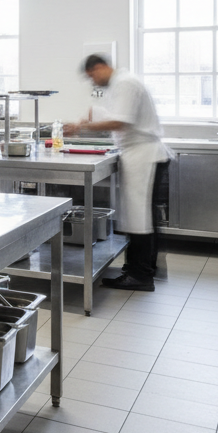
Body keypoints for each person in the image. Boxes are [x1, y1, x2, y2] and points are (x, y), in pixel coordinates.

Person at [65, 55, 169, 291]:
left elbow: (121, 121)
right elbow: (116, 116)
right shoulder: (121, 84)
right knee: (141, 217)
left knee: (140, 218)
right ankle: (141, 269)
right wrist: (91, 117)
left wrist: (82, 126)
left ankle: (140, 275)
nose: (93, 81)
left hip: (144, 155)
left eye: (92, 76)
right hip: (140, 155)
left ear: (100, 67)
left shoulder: (125, 83)